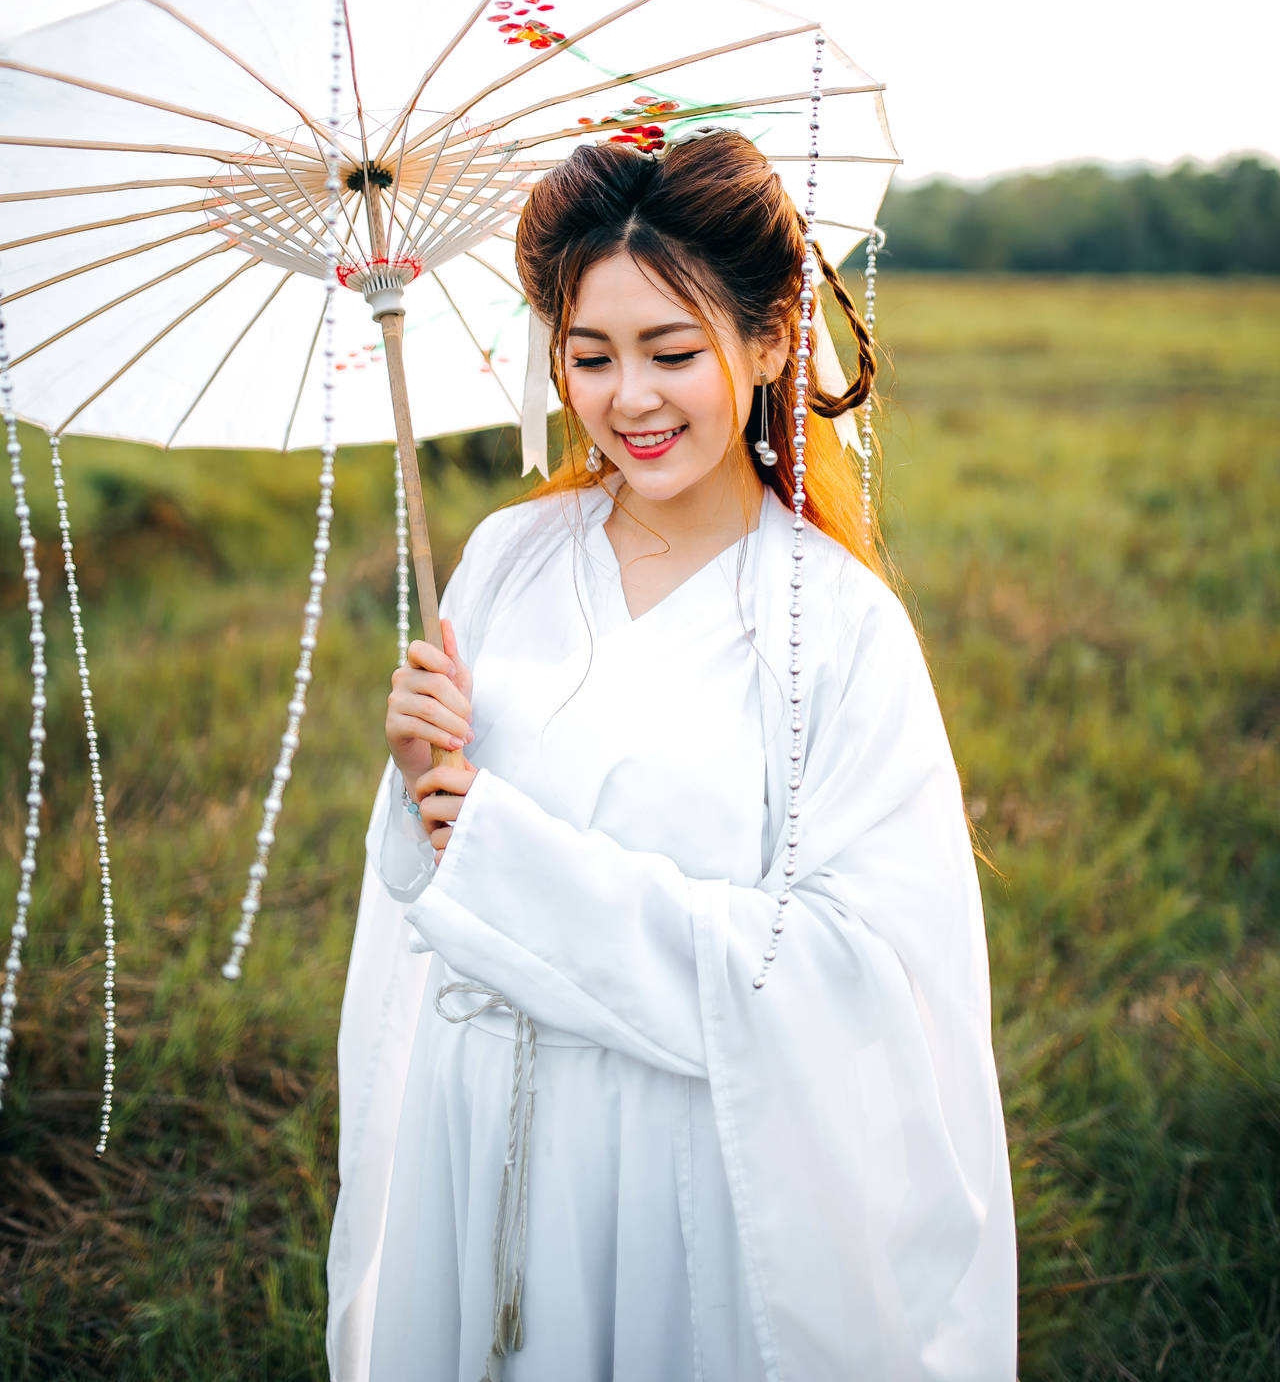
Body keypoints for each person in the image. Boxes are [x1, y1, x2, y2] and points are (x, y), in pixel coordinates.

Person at [325, 128, 1018, 1382]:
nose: (627, 399)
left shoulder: (834, 626)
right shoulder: (501, 560)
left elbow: (853, 970)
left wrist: (511, 858)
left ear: (762, 343)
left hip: (671, 1163)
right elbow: (425, 880)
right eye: (589, 356)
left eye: (671, 350)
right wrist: (415, 774)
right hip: (475, 1122)